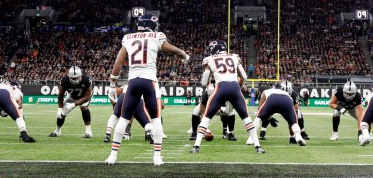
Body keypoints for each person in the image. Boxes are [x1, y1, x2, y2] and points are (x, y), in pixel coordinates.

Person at [105, 13, 190, 166]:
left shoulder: (128, 38)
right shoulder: (156, 36)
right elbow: (170, 48)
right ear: (152, 25)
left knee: (124, 119)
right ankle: (157, 157)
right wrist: (183, 55)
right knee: (156, 119)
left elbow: (119, 61)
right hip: (149, 81)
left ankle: (112, 155)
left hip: (133, 82)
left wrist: (112, 83)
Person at [191, 40, 264, 154]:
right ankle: (258, 146)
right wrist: (238, 88)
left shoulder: (210, 59)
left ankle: (196, 146)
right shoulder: (235, 57)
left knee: (206, 117)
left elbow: (204, 82)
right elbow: (244, 77)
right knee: (246, 118)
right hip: (235, 88)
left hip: (220, 88)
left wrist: (211, 82)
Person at [247, 81, 306, 146]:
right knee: (293, 122)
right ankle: (298, 135)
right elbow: (296, 107)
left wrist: (269, 118)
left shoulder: (266, 91)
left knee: (258, 117)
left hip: (272, 99)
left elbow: (259, 108)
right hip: (287, 100)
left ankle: (251, 138)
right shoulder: (287, 94)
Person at [48, 65, 93, 138]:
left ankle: (88, 132)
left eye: (76, 78)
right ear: (69, 77)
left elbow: (87, 97)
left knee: (83, 107)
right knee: (61, 113)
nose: (75, 80)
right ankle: (57, 131)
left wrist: (73, 105)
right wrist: (60, 108)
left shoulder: (86, 80)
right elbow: (60, 95)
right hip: (72, 96)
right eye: (73, 78)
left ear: (80, 76)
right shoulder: (64, 80)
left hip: (84, 96)